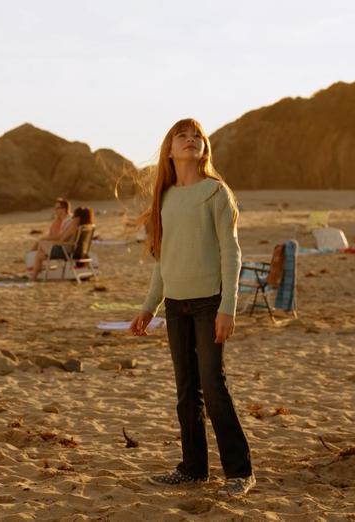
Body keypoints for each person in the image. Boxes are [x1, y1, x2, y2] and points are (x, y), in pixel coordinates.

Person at [129, 118, 254, 496]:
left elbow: (232, 254)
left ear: (205, 148)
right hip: (176, 306)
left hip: (209, 303)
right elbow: (163, 262)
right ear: (169, 150)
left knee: (213, 386)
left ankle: (240, 472)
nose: (190, 140)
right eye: (182, 136)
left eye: (197, 136)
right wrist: (149, 308)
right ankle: (193, 468)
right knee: (186, 390)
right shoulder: (164, 198)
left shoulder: (216, 193)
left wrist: (228, 308)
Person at [29, 206, 93, 281]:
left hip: (66, 252)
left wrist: (51, 242)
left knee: (41, 244)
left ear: (78, 218)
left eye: (74, 216)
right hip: (80, 253)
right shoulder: (87, 227)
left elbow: (62, 240)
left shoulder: (74, 227)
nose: (73, 218)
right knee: (39, 255)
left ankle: (35, 275)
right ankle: (36, 272)